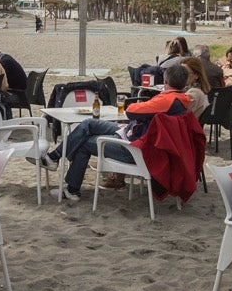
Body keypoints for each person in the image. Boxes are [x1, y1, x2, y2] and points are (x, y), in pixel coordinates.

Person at [50, 66, 197, 201]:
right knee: (89, 124)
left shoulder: (166, 101)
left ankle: (71, 189)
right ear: (184, 84)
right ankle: (55, 157)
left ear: (165, 81)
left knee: (84, 143)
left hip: (135, 149)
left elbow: (131, 111)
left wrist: (143, 106)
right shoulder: (182, 101)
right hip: (137, 137)